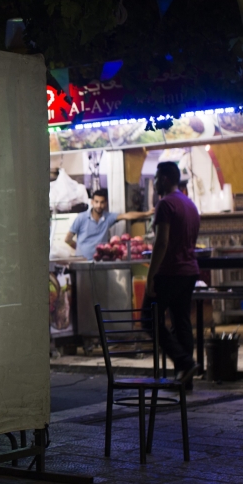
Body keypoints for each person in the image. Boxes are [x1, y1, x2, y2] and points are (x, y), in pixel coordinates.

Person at [143, 161, 201, 383]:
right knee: (181, 321)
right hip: (189, 271)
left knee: (149, 318)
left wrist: (151, 276)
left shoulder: (165, 204)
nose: (155, 182)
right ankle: (184, 376)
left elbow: (161, 242)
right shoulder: (189, 205)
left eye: (156, 178)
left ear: (164, 179)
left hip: (169, 272)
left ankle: (184, 363)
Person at [64, 188, 153, 260]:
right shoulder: (81, 217)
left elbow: (127, 215)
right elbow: (68, 239)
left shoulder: (108, 217)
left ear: (106, 203)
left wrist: (147, 213)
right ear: (92, 202)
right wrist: (81, 248)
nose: (99, 205)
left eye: (102, 202)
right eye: (96, 202)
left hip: (101, 260)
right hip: (82, 261)